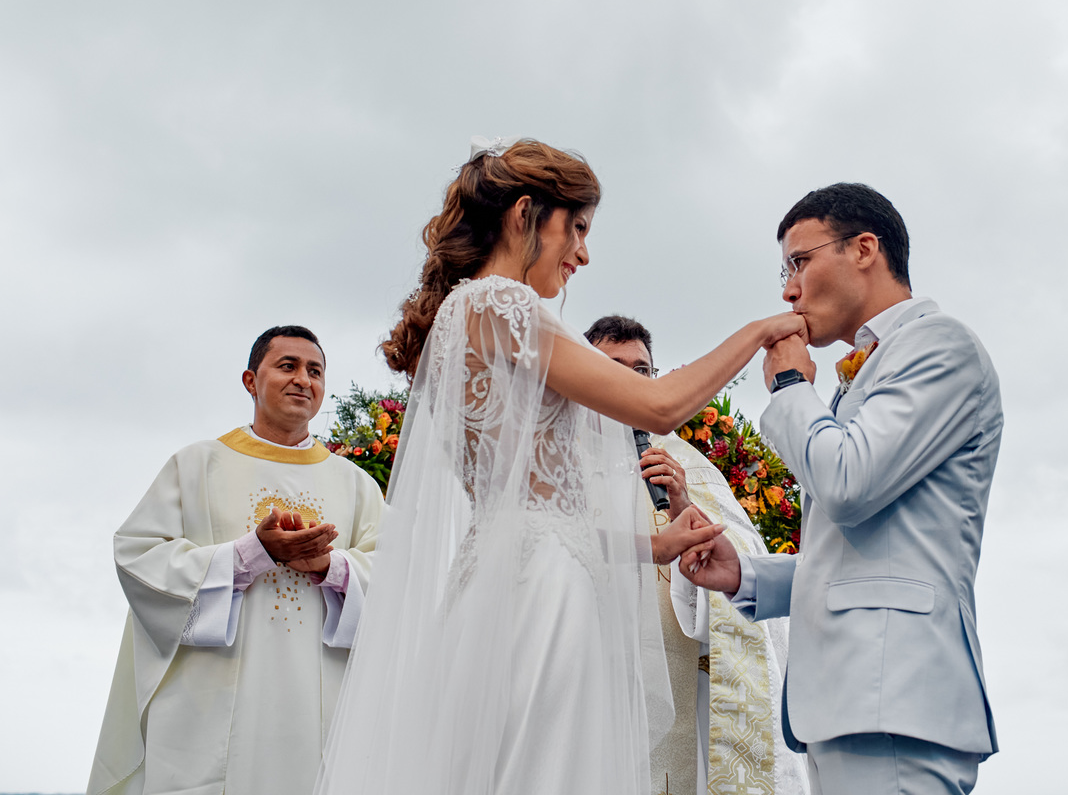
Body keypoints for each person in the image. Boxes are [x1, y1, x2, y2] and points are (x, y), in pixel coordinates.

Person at [312, 138, 807, 795]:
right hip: (543, 588)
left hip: (508, 573)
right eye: (576, 227)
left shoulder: (464, 318)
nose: (583, 252)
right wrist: (760, 332)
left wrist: (654, 545)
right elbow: (658, 406)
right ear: (524, 215)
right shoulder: (502, 305)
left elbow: (535, 509)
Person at [680, 183, 1003, 795]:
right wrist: (748, 576)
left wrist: (791, 389)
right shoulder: (869, 370)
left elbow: (848, 483)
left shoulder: (940, 345)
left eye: (799, 262)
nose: (788, 290)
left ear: (864, 248)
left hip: (896, 699)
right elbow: (862, 547)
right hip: (849, 703)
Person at [88, 326, 384, 795]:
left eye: (315, 371)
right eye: (287, 366)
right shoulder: (197, 465)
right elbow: (138, 554)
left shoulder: (356, 485)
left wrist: (331, 568)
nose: (303, 380)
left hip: (320, 706)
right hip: (210, 710)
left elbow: (399, 579)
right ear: (250, 380)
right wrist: (251, 555)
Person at [586, 314, 808, 795]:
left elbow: (740, 563)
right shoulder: (558, 460)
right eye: (613, 366)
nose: (629, 378)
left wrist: (685, 508)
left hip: (675, 678)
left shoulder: (687, 465)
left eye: (642, 371)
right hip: (586, 674)